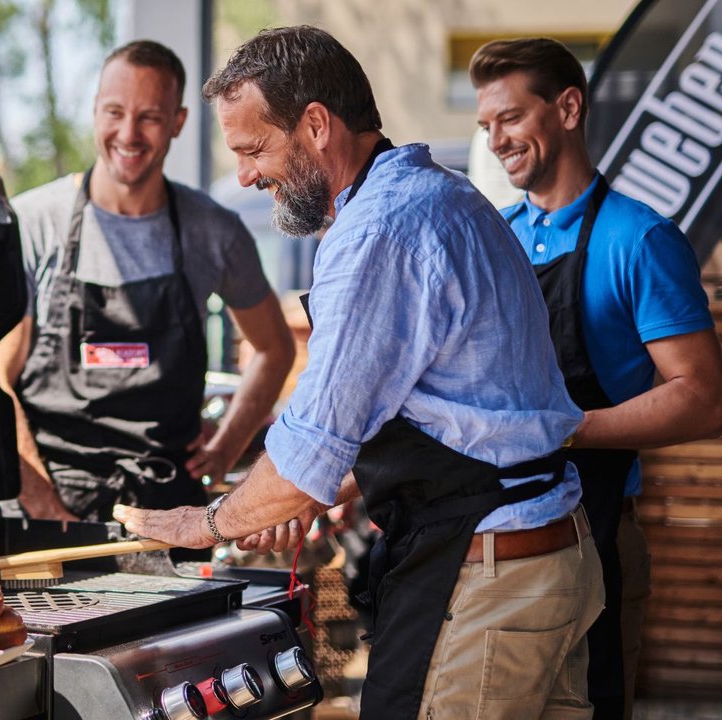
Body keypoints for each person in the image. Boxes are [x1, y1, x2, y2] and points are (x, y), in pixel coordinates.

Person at [114, 26, 604, 719]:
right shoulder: (448, 196)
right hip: (553, 559)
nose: (249, 174)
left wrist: (205, 522)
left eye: (255, 149)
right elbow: (447, 414)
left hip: (493, 576)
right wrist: (307, 494)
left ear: (315, 124)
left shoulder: (379, 231)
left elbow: (309, 449)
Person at [472, 38, 722, 720]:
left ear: (570, 107)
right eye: (486, 125)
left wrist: (568, 429)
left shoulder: (639, 240)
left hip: (601, 539)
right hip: (500, 552)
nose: (495, 140)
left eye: (510, 118)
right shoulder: (496, 238)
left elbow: (703, 400)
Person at [0, 40, 294, 523]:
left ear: (177, 122)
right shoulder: (33, 223)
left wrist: (224, 448)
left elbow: (275, 349)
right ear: (95, 112)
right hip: (46, 511)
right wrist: (42, 504)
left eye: (150, 117)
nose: (128, 134)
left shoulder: (213, 232)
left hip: (167, 515)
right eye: (114, 112)